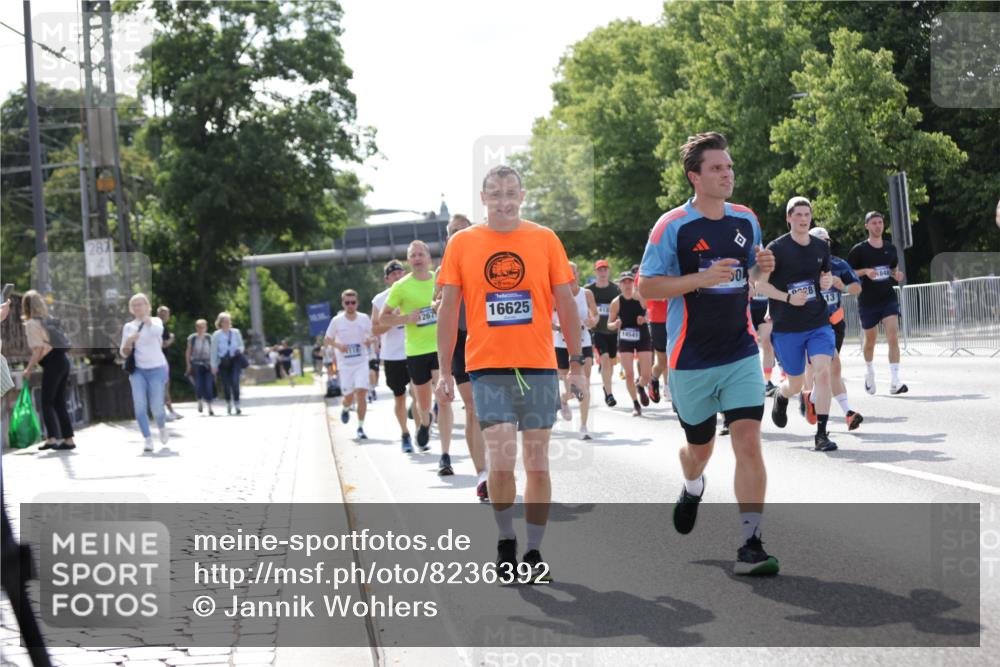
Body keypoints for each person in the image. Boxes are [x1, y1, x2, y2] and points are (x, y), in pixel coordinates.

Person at [638, 131, 778, 576]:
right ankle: (692, 485)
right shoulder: (671, 226)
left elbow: (750, 273)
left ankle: (750, 543)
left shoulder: (746, 219)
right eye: (717, 168)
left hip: (739, 350)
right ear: (694, 176)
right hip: (690, 359)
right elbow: (646, 286)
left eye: (730, 167)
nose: (727, 174)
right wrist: (699, 280)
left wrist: (762, 269)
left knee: (749, 443)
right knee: (699, 450)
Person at [436, 164, 584, 583]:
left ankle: (534, 551)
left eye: (511, 193)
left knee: (537, 465)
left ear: (522, 196)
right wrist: (445, 370)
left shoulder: (545, 239)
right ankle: (505, 542)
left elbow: (566, 304)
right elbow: (449, 311)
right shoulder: (463, 244)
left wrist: (575, 363)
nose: (504, 201)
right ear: (483, 199)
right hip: (486, 366)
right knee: (501, 463)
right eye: (495, 194)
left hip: (537, 365)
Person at [755, 197, 837, 452]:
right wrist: (788, 298)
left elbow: (825, 275)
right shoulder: (775, 249)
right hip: (787, 325)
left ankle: (821, 434)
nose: (803, 219)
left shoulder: (820, 247)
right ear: (789, 218)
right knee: (796, 383)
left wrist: (826, 281)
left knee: (823, 373)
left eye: (807, 214)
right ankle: (782, 395)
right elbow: (760, 284)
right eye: (798, 214)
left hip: (818, 321)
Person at [381, 240, 455, 475]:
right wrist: (405, 319)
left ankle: (445, 455)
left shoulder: (440, 280)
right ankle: (425, 422)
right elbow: (383, 318)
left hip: (439, 348)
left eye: (421, 253)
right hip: (415, 352)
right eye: (413, 255)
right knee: (424, 405)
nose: (417, 258)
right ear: (408, 261)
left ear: (429, 258)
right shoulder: (401, 287)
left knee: (443, 397)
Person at [433, 214, 489, 498]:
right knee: (474, 408)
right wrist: (439, 303)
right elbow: (435, 300)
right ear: (447, 238)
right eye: (454, 232)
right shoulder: (445, 268)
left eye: (464, 231)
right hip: (460, 341)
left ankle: (494, 464)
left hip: (489, 340)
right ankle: (483, 474)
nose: (459, 236)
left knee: (495, 411)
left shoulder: (486, 260)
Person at [800, 227, 864, 431]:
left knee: (830, 370)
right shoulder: (802, 265)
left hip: (835, 324)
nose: (823, 245)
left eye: (826, 241)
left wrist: (843, 286)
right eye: (818, 241)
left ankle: (812, 399)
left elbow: (857, 287)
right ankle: (845, 412)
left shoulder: (838, 264)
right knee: (829, 367)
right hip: (812, 325)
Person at [846, 211, 907, 395]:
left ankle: (895, 381)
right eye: (874, 223)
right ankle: (870, 372)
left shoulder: (890, 248)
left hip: (888, 298)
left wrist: (896, 274)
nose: (878, 226)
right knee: (870, 341)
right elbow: (847, 273)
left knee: (893, 336)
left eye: (880, 222)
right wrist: (865, 271)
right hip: (867, 301)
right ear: (867, 226)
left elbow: (892, 268)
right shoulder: (859, 250)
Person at [21, 290, 76, 451]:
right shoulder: (49, 319)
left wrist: (28, 369)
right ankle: (68, 439)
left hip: (52, 362)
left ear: (25, 306)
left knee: (47, 402)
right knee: (59, 402)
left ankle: (52, 438)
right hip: (63, 361)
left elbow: (38, 349)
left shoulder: (32, 323)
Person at [372, 260, 414, 452]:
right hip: (392, 356)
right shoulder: (380, 300)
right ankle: (405, 433)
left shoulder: (414, 291)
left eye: (400, 272)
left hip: (414, 350)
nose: (398, 276)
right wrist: (394, 319)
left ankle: (422, 423)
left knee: (419, 393)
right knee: (400, 397)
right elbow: (375, 329)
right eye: (393, 274)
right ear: (387, 279)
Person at [553, 261, 598, 439]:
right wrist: (557, 326)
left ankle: (584, 426)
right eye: (567, 273)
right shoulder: (554, 294)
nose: (570, 276)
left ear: (577, 274)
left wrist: (592, 321)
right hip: (561, 344)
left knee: (584, 383)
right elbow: (545, 317)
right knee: (572, 387)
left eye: (573, 273)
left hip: (583, 341)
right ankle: (564, 399)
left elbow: (595, 314)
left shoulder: (586, 294)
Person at [120, 293, 169, 452]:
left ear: (147, 306)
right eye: (134, 305)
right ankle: (147, 439)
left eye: (140, 304)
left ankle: (161, 427)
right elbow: (123, 352)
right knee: (140, 406)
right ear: (131, 309)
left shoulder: (156, 321)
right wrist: (129, 341)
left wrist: (147, 321)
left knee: (156, 407)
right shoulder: (128, 327)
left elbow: (158, 333)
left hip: (157, 368)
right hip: (138, 371)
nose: (137, 307)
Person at [326, 289, 375, 440]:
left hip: (361, 361)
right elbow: (327, 339)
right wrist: (338, 346)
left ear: (357, 303)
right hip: (345, 364)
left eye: (353, 302)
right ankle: (346, 408)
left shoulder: (364, 318)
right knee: (348, 396)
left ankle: (360, 427)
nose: (350, 305)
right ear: (343, 303)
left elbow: (373, 334)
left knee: (361, 393)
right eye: (347, 303)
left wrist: (369, 340)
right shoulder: (337, 320)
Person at [607, 272, 652, 416]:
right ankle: (635, 404)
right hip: (626, 338)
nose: (627, 285)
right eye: (624, 282)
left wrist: (644, 319)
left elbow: (650, 314)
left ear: (634, 284)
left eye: (629, 282)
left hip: (642, 336)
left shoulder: (641, 297)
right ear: (620, 285)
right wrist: (616, 324)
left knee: (646, 374)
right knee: (629, 373)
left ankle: (640, 386)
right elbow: (609, 324)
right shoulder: (616, 302)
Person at [586, 259, 621, 407]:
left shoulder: (616, 289)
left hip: (612, 331)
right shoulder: (589, 289)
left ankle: (606, 388)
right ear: (596, 272)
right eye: (600, 270)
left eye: (605, 269)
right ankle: (610, 394)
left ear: (609, 271)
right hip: (597, 331)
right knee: (605, 360)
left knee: (611, 364)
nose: (602, 272)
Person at [210, 312, 245, 415]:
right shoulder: (216, 335)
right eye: (224, 321)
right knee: (226, 384)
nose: (227, 323)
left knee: (235, 382)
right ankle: (228, 403)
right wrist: (213, 365)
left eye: (228, 321)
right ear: (220, 323)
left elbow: (241, 345)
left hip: (235, 360)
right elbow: (213, 351)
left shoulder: (236, 332)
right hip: (223, 362)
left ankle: (237, 405)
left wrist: (239, 349)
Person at [156, 306, 182, 420]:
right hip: (159, 360)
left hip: (162, 360)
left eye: (166, 314)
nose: (165, 316)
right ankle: (162, 412)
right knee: (163, 386)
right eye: (163, 314)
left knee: (166, 385)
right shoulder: (159, 327)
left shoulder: (161, 326)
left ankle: (170, 410)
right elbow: (164, 344)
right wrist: (172, 338)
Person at [186, 319, 215, 416]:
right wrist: (188, 365)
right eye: (199, 327)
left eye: (203, 327)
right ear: (196, 328)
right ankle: (199, 401)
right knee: (198, 385)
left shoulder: (209, 338)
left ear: (206, 327)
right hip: (196, 364)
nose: (201, 329)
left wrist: (214, 365)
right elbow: (188, 352)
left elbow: (213, 353)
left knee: (208, 385)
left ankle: (210, 407)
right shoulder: (192, 338)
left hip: (208, 364)